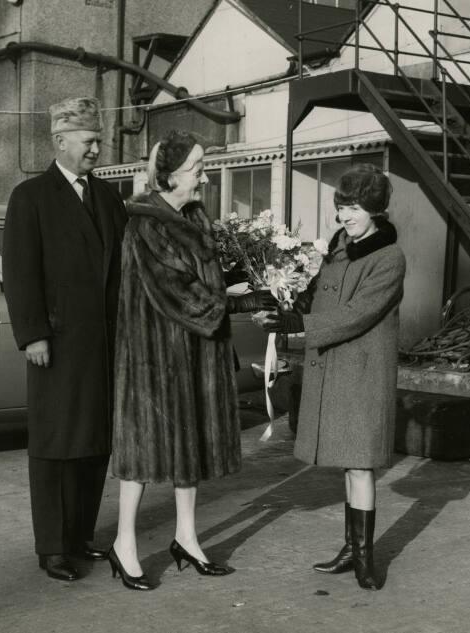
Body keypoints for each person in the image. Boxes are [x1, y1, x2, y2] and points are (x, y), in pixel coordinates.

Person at [108, 130, 276, 591]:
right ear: (172, 174)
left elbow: (206, 281)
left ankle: (186, 537)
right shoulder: (147, 224)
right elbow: (178, 294)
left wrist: (252, 284)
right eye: (198, 167)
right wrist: (241, 303)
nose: (204, 175)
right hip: (154, 358)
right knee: (142, 453)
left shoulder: (195, 217)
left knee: (190, 449)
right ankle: (124, 544)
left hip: (192, 353)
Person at [263, 163, 406, 590]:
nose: (344, 217)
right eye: (341, 207)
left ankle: (364, 557)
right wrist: (282, 305)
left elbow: (356, 315)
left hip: (362, 373)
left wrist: (299, 328)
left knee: (360, 465)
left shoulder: (388, 257)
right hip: (334, 368)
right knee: (348, 465)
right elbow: (316, 300)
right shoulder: (341, 246)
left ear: (376, 210)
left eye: (354, 208)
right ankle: (350, 548)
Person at [2, 97, 128, 581]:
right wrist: (33, 333)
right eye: (89, 141)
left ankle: (80, 535)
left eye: (99, 140)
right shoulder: (30, 196)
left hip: (102, 342)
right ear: (60, 142)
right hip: (54, 342)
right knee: (56, 443)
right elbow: (19, 271)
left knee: (94, 441)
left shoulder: (109, 197)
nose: (97, 148)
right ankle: (53, 547)